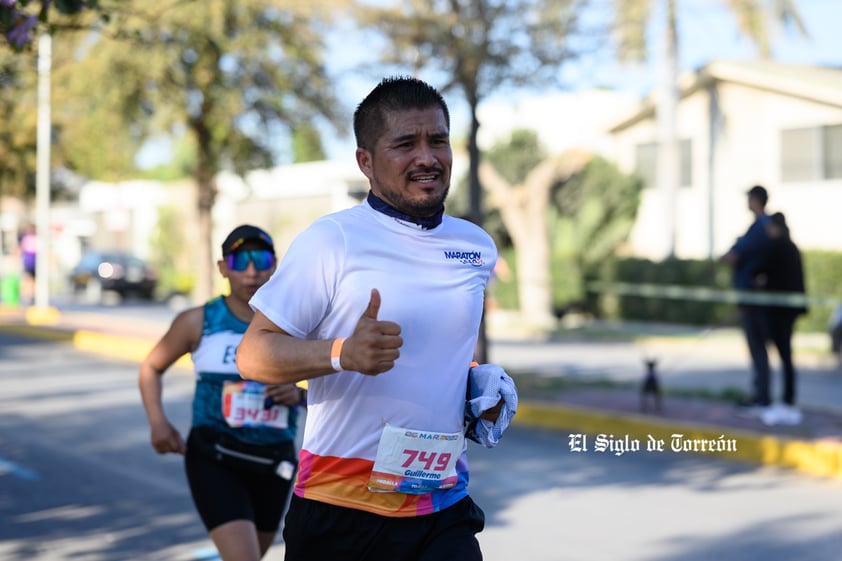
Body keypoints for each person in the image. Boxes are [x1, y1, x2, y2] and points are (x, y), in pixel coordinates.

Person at [237, 76, 506, 561]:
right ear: (366, 161)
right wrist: (342, 353)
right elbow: (252, 353)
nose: (427, 157)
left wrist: (476, 387)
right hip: (342, 511)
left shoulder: (475, 247)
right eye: (406, 143)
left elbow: (444, 358)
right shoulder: (332, 240)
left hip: (440, 503)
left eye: (438, 140)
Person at [138, 224, 303, 561]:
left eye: (262, 259)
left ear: (275, 265)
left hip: (274, 460)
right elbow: (151, 368)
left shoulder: (295, 324)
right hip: (215, 455)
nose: (253, 271)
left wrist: (298, 395)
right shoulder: (199, 321)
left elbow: (332, 380)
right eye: (241, 261)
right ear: (223, 268)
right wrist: (158, 421)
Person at [721, 185, 773, 414]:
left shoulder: (763, 227)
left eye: (749, 198)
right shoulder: (756, 227)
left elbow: (744, 254)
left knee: (758, 348)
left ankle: (762, 395)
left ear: (756, 200)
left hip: (754, 299)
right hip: (748, 297)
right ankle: (760, 393)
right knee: (756, 349)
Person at [755, 212, 807, 426]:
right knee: (785, 355)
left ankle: (784, 398)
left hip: (780, 311)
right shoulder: (790, 247)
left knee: (782, 353)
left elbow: (761, 271)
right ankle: (787, 397)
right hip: (788, 310)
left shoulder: (778, 247)